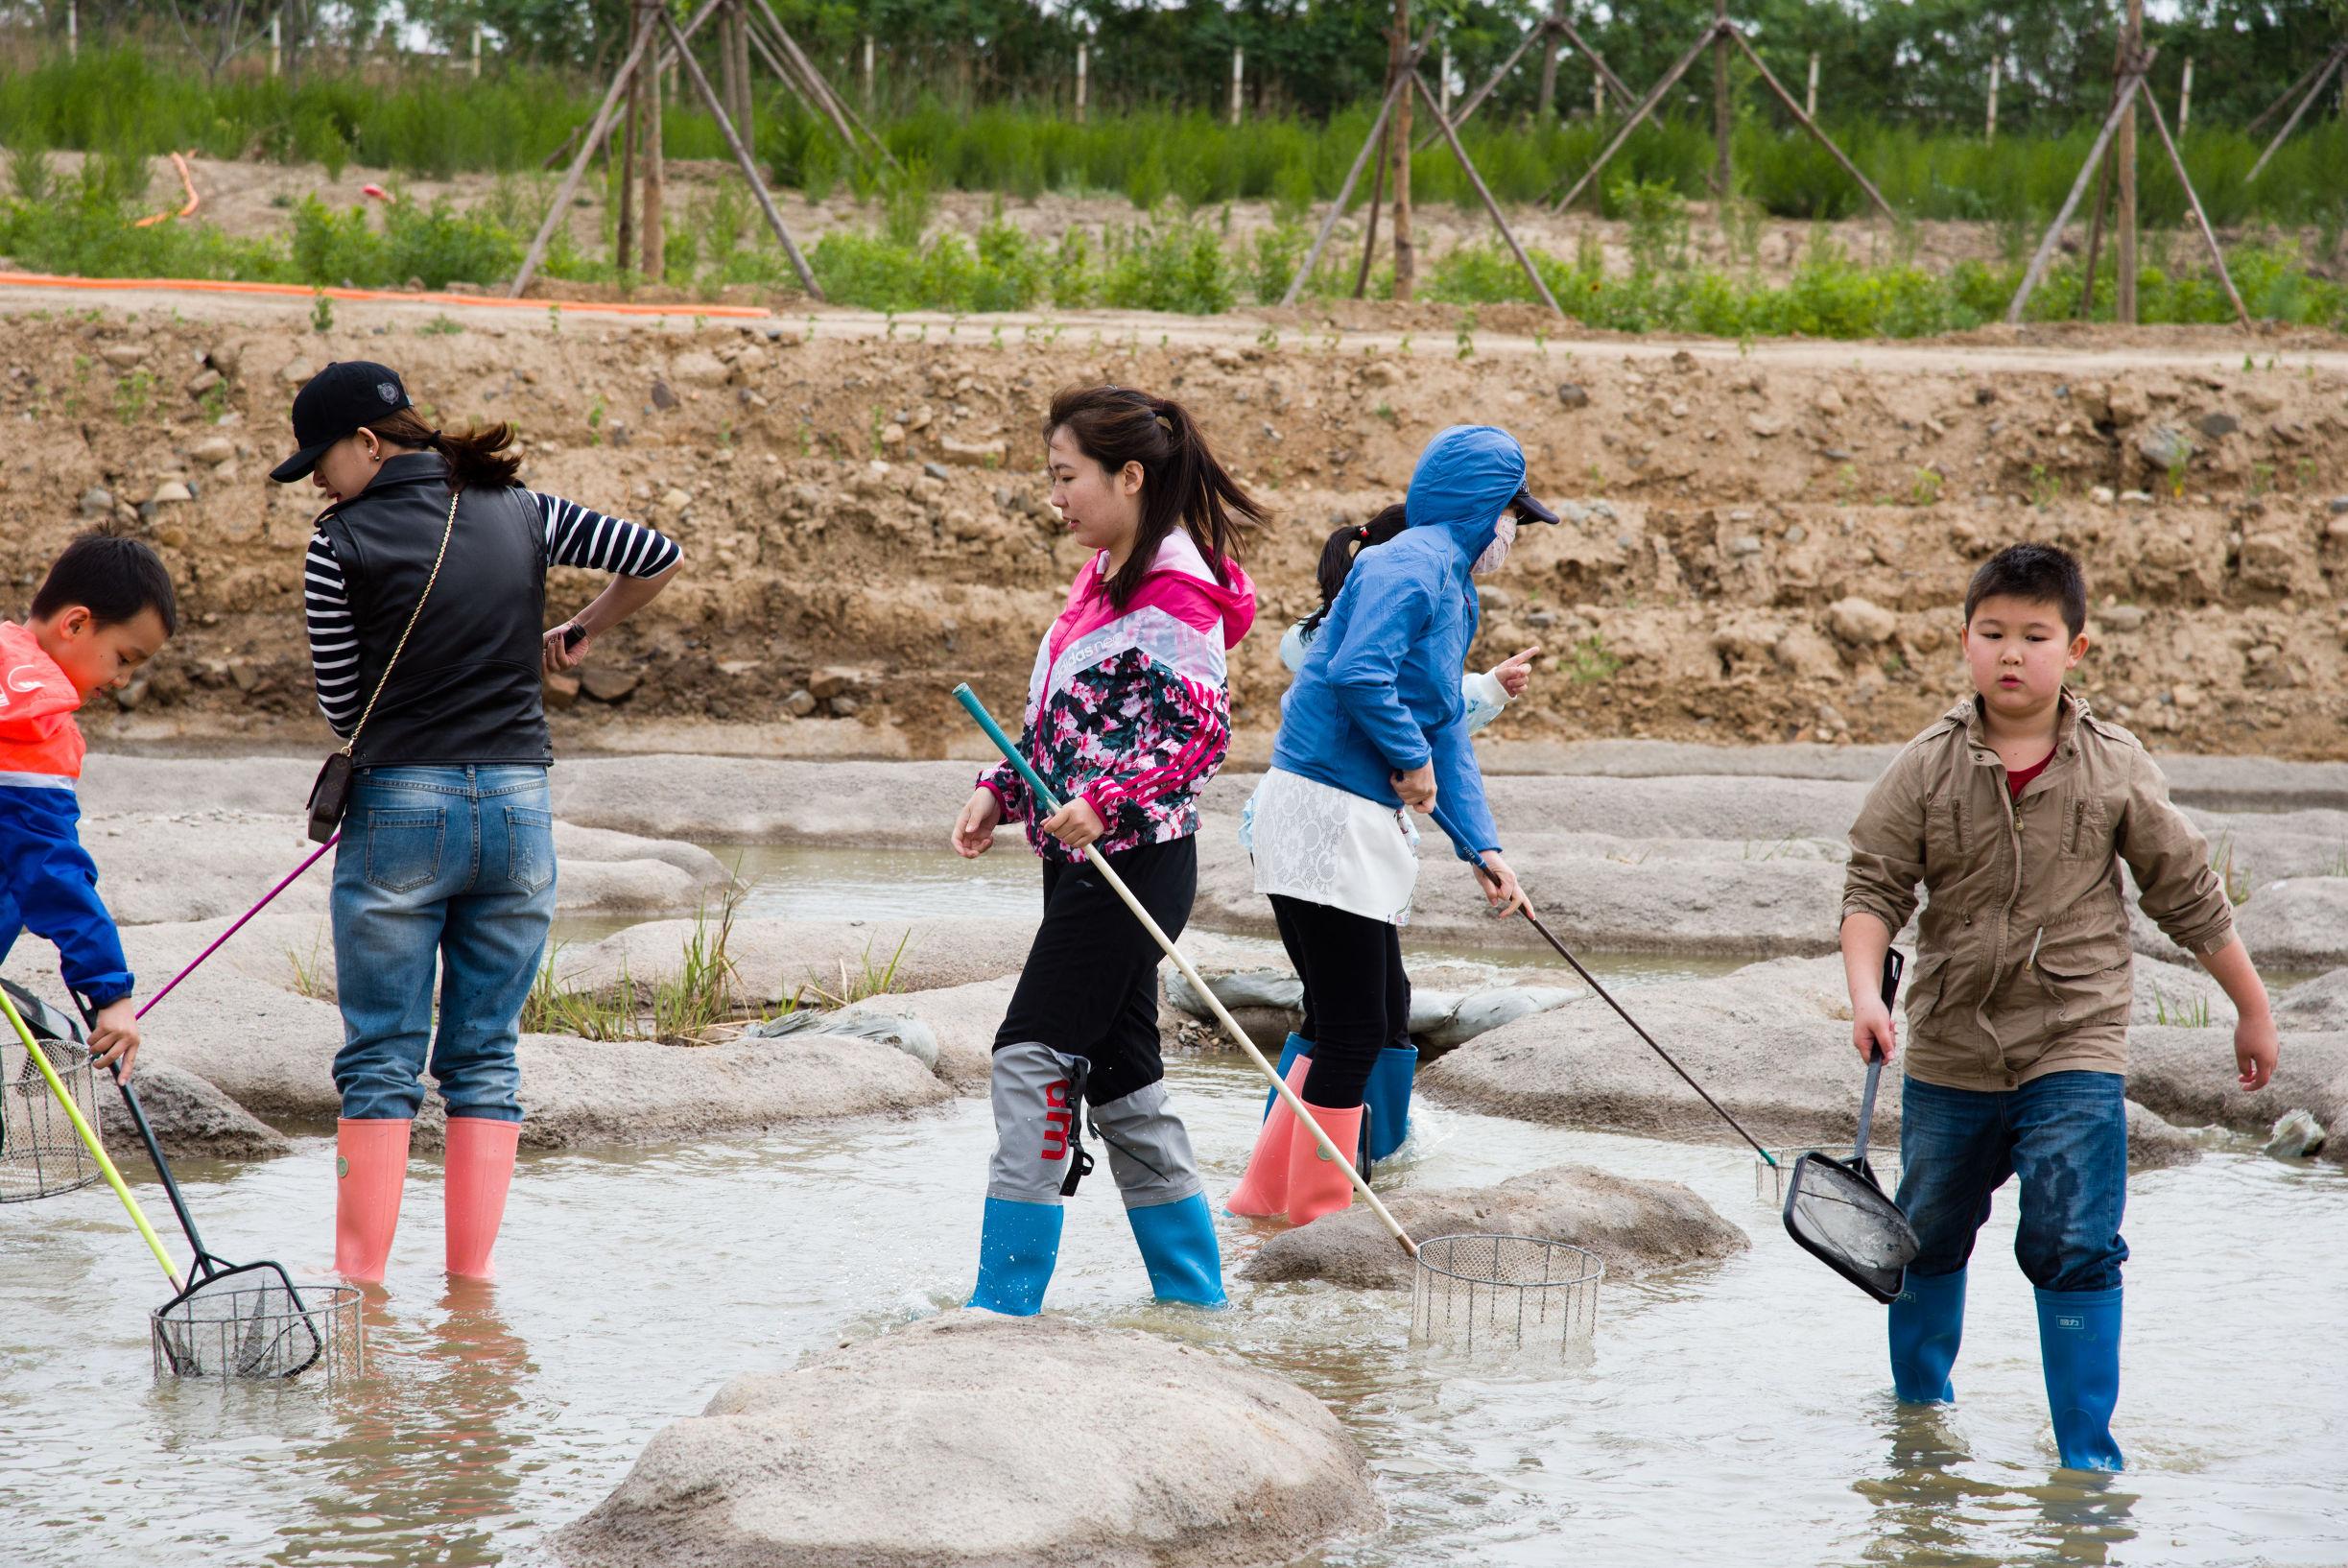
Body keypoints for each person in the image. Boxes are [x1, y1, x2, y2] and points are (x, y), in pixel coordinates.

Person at [1839, 541, 2279, 1472]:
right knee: (1926, 1233)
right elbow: (1872, 888)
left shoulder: (2114, 767)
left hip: (2072, 1042)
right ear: (1963, 641)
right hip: (1952, 1047)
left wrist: (2250, 1007)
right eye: (1992, 633)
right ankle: (1917, 1428)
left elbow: (2186, 894)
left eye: (2034, 635)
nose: (2011, 653)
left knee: (2073, 1238)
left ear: (2074, 648)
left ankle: (2086, 1463)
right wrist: (1861, 996)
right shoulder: (1922, 766)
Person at [275, 360, 681, 1286]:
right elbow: (658, 557)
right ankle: (472, 1300)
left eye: (320, 462)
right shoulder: (526, 508)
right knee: (486, 1061)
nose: (317, 483)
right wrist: (575, 629)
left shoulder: (336, 541)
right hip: (518, 810)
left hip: (401, 815)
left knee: (381, 1060)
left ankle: (361, 1297)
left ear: (369, 444)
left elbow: (344, 707)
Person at [950, 384, 1258, 1315]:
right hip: (1081, 856)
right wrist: (1001, 788)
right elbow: (1069, 721)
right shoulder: (1102, 576)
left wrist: (1103, 798)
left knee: (1029, 1054)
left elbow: (1201, 734)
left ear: (1128, 475)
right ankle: (1195, 1298)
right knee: (1124, 1078)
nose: (1054, 495)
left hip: (1135, 862)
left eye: (1064, 475)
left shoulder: (1173, 591)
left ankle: (1003, 1305)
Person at [1228, 425, 1551, 1227]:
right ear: (1485, 509)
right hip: (1323, 810)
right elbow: (1356, 670)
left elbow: (1442, 728)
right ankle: (1316, 1216)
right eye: (1514, 517)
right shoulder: (1407, 565)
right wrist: (1407, 757)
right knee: (1352, 1022)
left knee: (1366, 1011)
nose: (1514, 536)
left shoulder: (1447, 581)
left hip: (1349, 818)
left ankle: (1269, 1198)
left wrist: (1483, 848)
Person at [0, 534, 177, 1078]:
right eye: (124, 659)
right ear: (75, 624)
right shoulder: (33, 726)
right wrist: (110, 994)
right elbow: (51, 870)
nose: (122, 679)